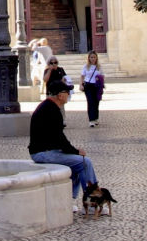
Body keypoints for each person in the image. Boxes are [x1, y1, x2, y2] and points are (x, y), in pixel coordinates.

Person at [28, 77, 99, 213]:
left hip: (45, 151)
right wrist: (76, 152)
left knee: (77, 165)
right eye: (67, 92)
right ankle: (91, 202)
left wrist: (73, 151)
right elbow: (60, 138)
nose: (69, 95)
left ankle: (69, 201)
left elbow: (58, 138)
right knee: (85, 162)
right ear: (60, 95)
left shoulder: (48, 107)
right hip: (44, 153)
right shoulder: (52, 110)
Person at [79, 51, 105, 127]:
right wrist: (81, 85)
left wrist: (100, 79)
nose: (92, 59)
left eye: (94, 57)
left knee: (96, 102)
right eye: (91, 57)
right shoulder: (86, 66)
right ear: (89, 58)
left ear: (96, 58)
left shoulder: (99, 67)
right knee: (90, 102)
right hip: (88, 85)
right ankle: (91, 120)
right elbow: (82, 76)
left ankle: (96, 118)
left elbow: (102, 76)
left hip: (96, 86)